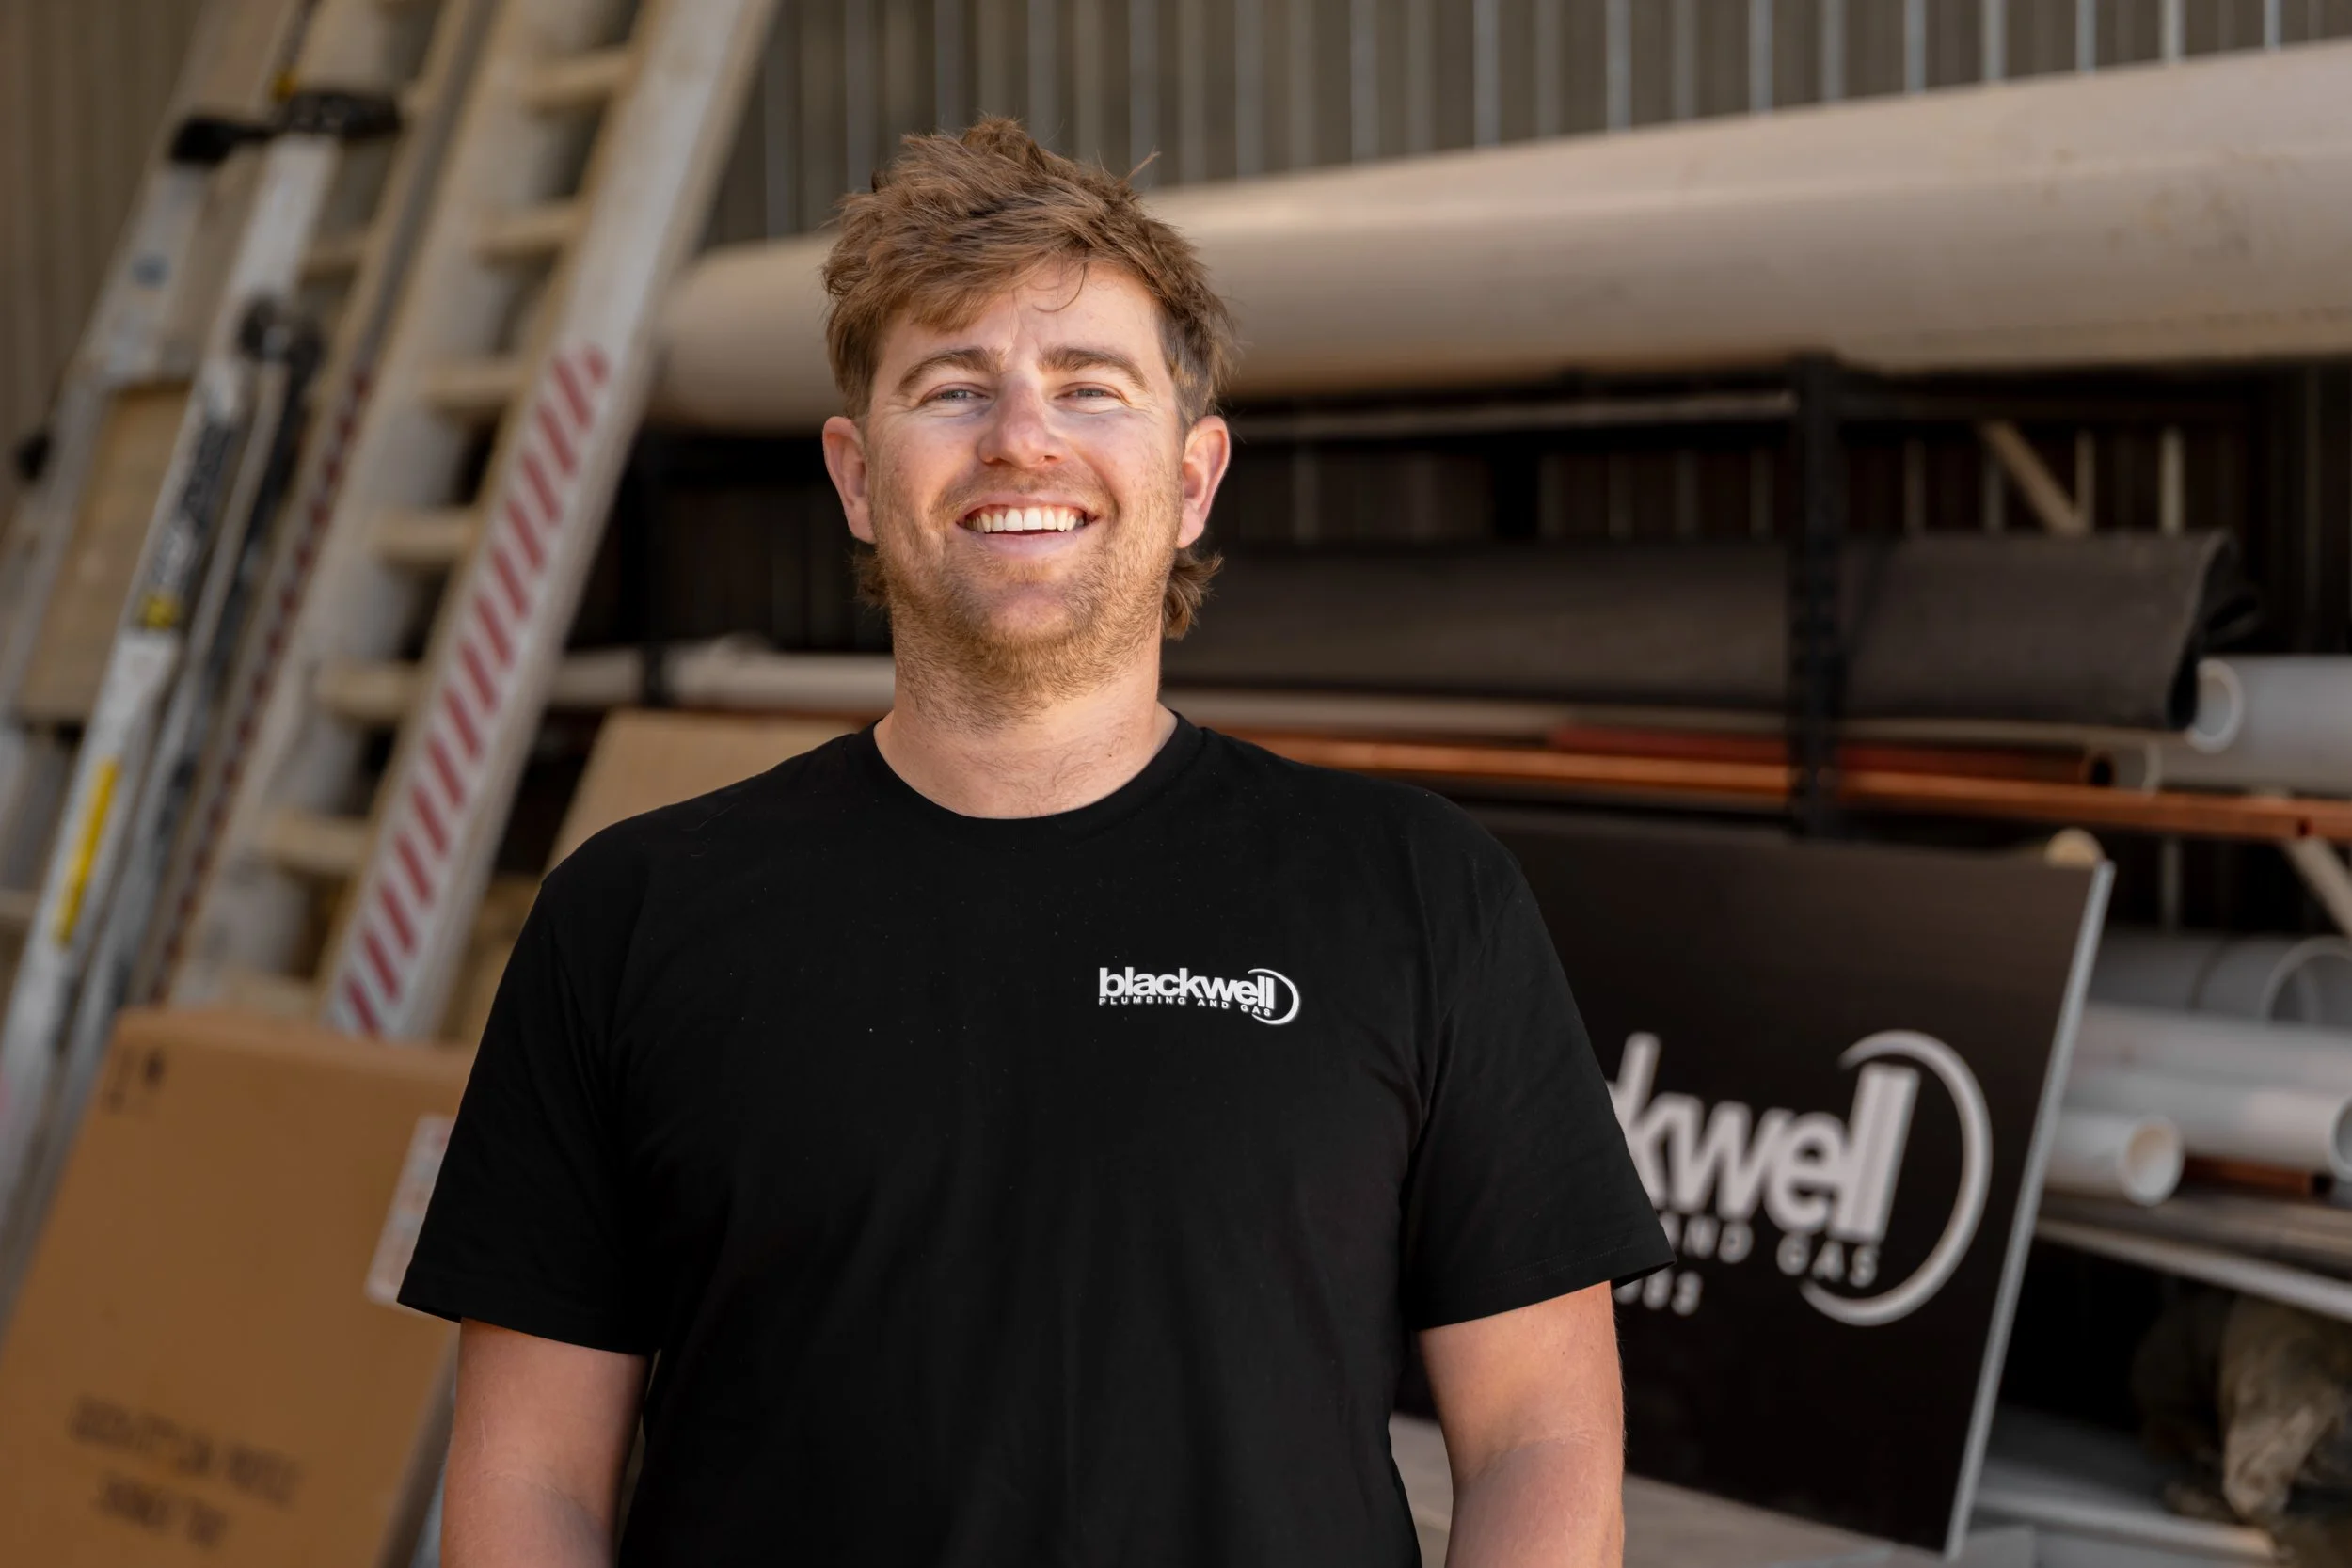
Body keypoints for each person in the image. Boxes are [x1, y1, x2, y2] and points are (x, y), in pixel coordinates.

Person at [400, 119, 1670, 1567]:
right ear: (855, 475)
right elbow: (531, 1482)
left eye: (1090, 386)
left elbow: (1541, 1440)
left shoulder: (1416, 895)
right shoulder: (631, 920)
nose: (1024, 437)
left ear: (1194, 477)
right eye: (952, 387)